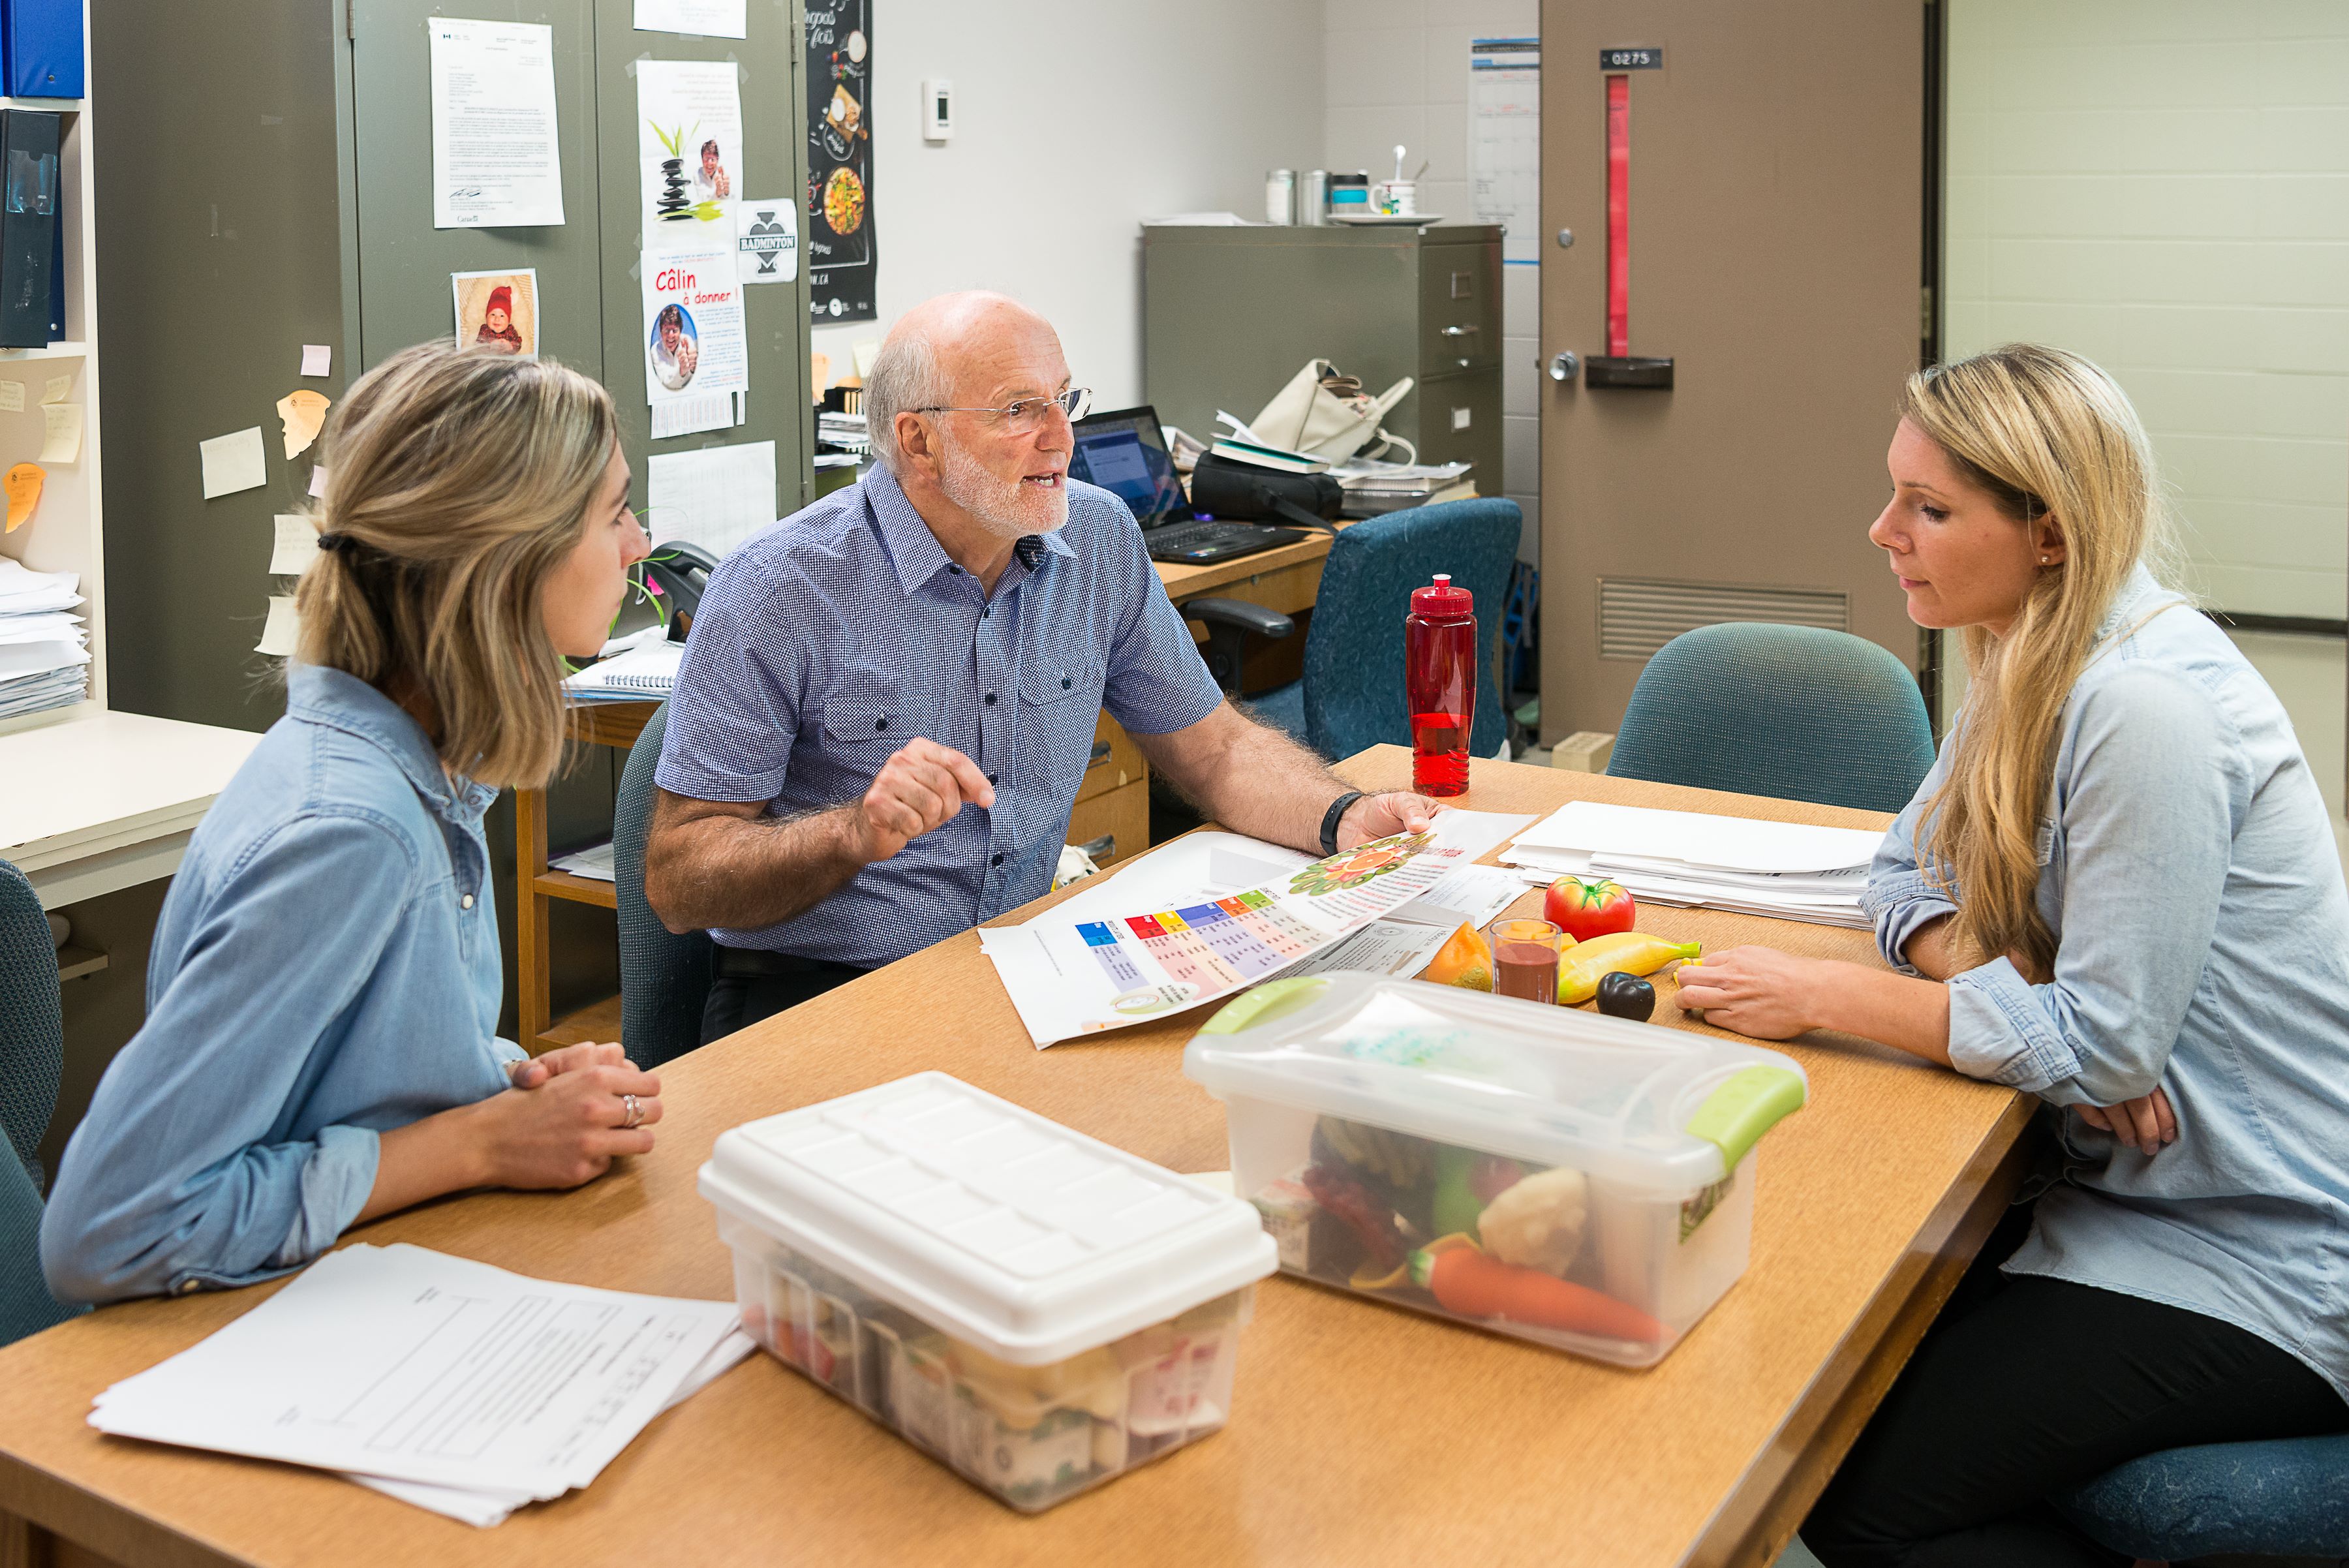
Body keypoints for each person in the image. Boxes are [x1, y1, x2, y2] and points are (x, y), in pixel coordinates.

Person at [1668, 344, 2349, 1567]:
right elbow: (1903, 874)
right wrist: (2013, 982)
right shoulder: (2029, 652)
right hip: (2112, 1187)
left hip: (2259, 1248)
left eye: (1930, 509)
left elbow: (2102, 1047)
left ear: (2050, 531)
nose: (1885, 531)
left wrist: (1834, 993)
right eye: (1896, 494)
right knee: (1813, 1370)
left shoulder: (2144, 704)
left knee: (1841, 1482)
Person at [645, 290, 1440, 1042]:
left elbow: (1219, 751)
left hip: (1022, 964)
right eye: (1019, 410)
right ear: (919, 440)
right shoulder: (781, 585)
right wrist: (853, 833)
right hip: (821, 991)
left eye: (1066, 400)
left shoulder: (1097, 539)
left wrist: (1340, 819)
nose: (1062, 437)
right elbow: (681, 880)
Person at [40, 344, 660, 1304]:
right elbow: (108, 1226)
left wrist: (499, 1080)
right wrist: (480, 1139)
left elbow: (338, 1072)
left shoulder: (426, 768)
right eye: (614, 511)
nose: (640, 543)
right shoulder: (351, 829)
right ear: (508, 559)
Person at [652, 303, 697, 392]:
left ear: (680, 331)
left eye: (675, 331)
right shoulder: (655, 351)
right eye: (666, 330)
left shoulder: (687, 341)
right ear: (661, 332)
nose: (670, 335)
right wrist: (682, 370)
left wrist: (693, 368)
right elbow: (665, 382)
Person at [474, 284, 524, 354]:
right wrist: (489, 346)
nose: (497, 319)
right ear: (487, 317)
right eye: (493, 315)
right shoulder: (485, 330)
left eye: (502, 316)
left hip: (507, 361)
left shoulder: (510, 331)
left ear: (508, 320)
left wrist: (510, 346)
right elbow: (478, 345)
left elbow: (518, 344)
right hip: (488, 361)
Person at [692, 138, 730, 202]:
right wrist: (717, 193)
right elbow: (702, 199)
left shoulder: (724, 172)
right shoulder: (697, 175)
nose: (709, 163)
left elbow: (733, 198)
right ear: (702, 159)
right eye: (706, 159)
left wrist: (727, 192)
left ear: (717, 160)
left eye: (713, 160)